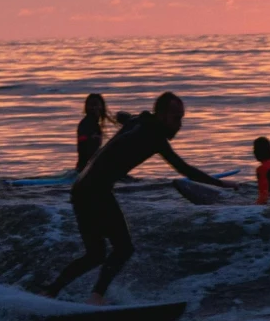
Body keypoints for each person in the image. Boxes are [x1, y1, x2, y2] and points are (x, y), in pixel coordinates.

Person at [47, 91, 225, 300]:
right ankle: (96, 298)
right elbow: (184, 169)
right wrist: (220, 183)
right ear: (161, 115)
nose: (180, 124)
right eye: (176, 118)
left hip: (81, 189)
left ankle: (50, 291)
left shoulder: (140, 121)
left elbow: (127, 117)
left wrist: (123, 117)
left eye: (182, 118)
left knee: (96, 254)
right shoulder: (153, 137)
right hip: (95, 191)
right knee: (123, 249)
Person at [76, 93, 109, 171]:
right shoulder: (85, 124)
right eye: (91, 105)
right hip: (86, 168)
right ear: (86, 107)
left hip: (92, 166)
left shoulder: (95, 125)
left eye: (96, 105)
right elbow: (82, 144)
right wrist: (89, 138)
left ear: (102, 107)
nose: (94, 108)